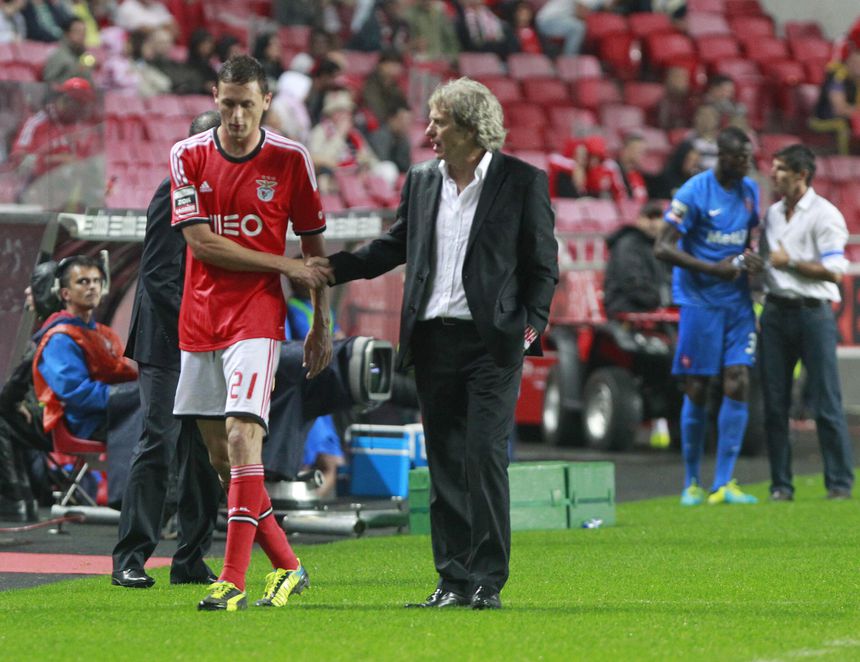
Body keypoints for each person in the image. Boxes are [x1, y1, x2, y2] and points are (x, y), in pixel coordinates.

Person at [327, 77, 558, 610]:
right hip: (433, 342)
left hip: (490, 344)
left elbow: (543, 267)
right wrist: (330, 270)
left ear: (472, 128)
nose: (428, 131)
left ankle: (487, 580)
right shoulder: (423, 180)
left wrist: (528, 328)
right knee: (446, 464)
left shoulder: (523, 182)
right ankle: (452, 579)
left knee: (483, 457)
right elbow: (393, 245)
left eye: (439, 121)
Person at [168, 54, 332, 612]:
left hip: (256, 317)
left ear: (266, 101)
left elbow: (314, 250)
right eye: (228, 103)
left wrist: (320, 323)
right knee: (223, 461)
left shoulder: (291, 160)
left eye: (247, 104)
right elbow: (201, 244)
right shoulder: (186, 155)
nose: (237, 116)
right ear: (215, 97)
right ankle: (288, 566)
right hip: (199, 316)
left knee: (243, 440)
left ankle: (232, 581)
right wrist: (284, 266)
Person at [111, 111, 224, 590]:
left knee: (205, 452)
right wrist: (201, 323)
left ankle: (191, 559)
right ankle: (130, 558)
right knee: (159, 440)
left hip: (211, 337)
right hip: (167, 340)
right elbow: (158, 276)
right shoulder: (172, 192)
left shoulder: (225, 197)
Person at [654, 126, 764, 506]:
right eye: (740, 159)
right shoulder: (693, 192)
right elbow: (662, 247)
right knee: (698, 387)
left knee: (738, 381)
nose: (747, 165)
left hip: (736, 302)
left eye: (749, 158)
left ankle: (725, 482)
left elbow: (748, 239)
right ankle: (691, 481)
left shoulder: (750, 192)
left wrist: (751, 260)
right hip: (699, 300)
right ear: (723, 156)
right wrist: (712, 268)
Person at [758, 144, 855, 501]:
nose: (773, 174)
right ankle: (781, 485)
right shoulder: (771, 214)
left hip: (813, 313)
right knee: (774, 403)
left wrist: (792, 264)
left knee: (826, 401)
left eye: (781, 169)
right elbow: (772, 261)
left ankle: (839, 483)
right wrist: (762, 267)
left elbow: (835, 268)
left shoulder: (826, 215)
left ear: (801, 175)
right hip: (776, 311)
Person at [32, 256, 138, 441]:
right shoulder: (59, 338)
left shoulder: (104, 334)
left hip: (111, 414)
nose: (92, 287)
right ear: (65, 294)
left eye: (97, 281)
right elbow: (76, 393)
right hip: (87, 423)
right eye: (83, 282)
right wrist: (128, 396)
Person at [604, 201, 672, 317]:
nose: (653, 223)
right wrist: (660, 300)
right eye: (649, 217)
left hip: (652, 308)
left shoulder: (662, 247)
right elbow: (632, 283)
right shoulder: (627, 244)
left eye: (657, 218)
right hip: (626, 308)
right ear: (638, 220)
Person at [810, 46, 860, 155]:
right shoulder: (838, 78)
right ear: (849, 63)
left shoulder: (857, 81)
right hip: (824, 120)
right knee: (842, 126)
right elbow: (840, 109)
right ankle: (844, 160)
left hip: (849, 118)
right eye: (857, 64)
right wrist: (856, 112)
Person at [42, 15, 94, 84]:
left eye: (83, 33)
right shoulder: (59, 56)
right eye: (77, 32)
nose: (81, 36)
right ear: (67, 33)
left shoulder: (84, 56)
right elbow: (48, 84)